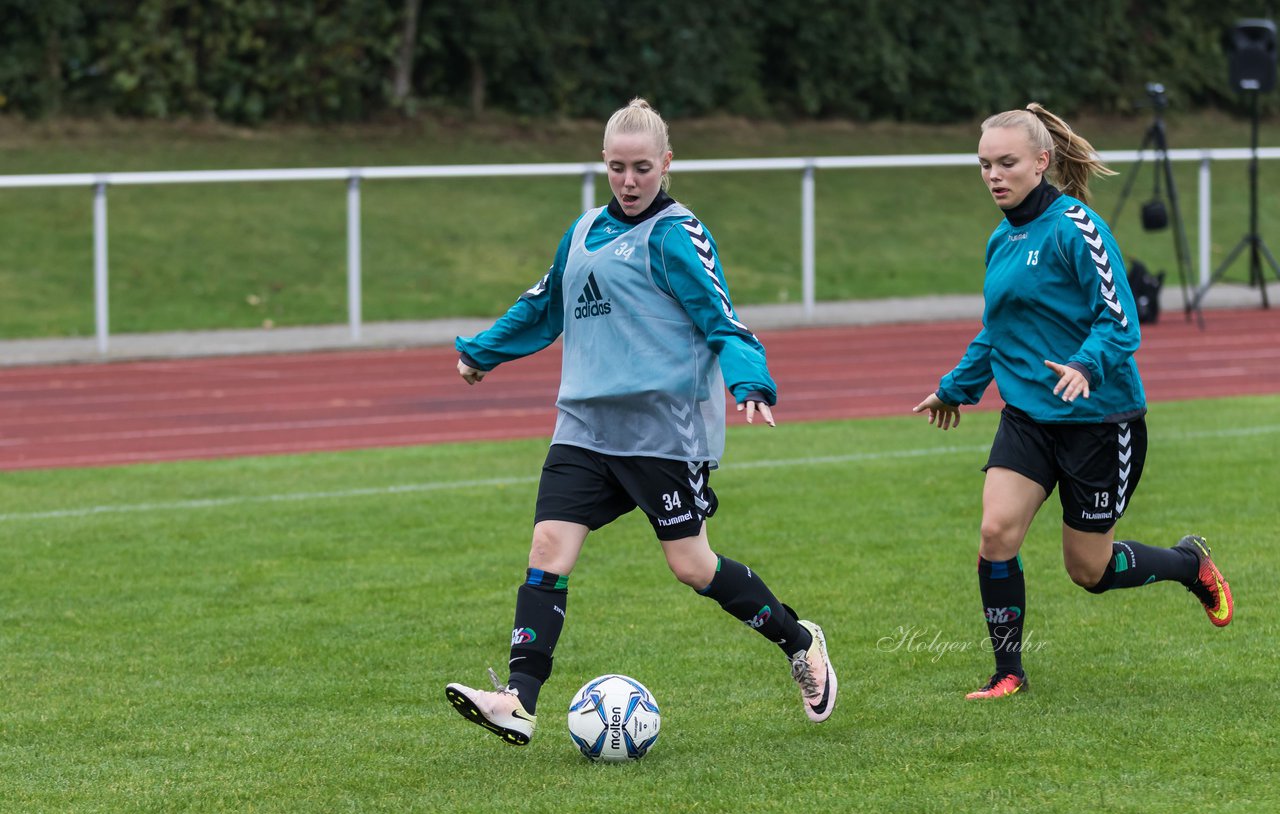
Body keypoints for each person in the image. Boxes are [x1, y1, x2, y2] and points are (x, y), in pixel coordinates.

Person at [444, 98, 836, 744]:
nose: (629, 182)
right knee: (548, 548)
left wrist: (750, 380)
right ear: (603, 162)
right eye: (618, 168)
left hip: (663, 434)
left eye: (643, 169)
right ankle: (518, 699)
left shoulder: (677, 236)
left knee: (692, 566)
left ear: (668, 164)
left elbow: (722, 319)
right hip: (584, 428)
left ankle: (800, 641)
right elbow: (544, 308)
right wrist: (482, 352)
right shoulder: (582, 232)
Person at [913, 103, 1233, 700]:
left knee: (1089, 571)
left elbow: (1121, 321)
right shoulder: (1000, 240)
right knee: (995, 532)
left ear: (1042, 161)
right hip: (1029, 418)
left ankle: (1189, 565)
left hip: (1100, 421)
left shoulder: (1077, 228)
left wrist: (1086, 366)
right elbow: (999, 330)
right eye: (984, 164)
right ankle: (1008, 671)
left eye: (1006, 163)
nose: (993, 176)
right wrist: (956, 387)